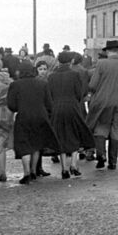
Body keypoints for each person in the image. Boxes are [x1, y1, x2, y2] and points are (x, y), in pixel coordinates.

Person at [6, 62, 58, 185]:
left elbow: (11, 105)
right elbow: (49, 104)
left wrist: (19, 107)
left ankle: (26, 173)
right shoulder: (43, 84)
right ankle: (34, 171)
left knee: (23, 145)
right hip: (40, 116)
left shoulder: (15, 85)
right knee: (36, 144)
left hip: (24, 116)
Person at [87, 40, 118, 170]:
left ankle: (101, 156)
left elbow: (93, 85)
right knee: (116, 131)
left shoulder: (101, 64)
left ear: (107, 51)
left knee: (100, 129)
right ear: (117, 51)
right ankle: (113, 162)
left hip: (102, 102)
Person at [47, 51, 92, 179]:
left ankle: (64, 169)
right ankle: (73, 164)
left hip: (57, 107)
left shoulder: (51, 76)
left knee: (60, 136)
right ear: (70, 61)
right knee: (74, 134)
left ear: (58, 61)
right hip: (72, 106)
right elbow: (79, 93)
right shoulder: (74, 75)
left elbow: (50, 94)